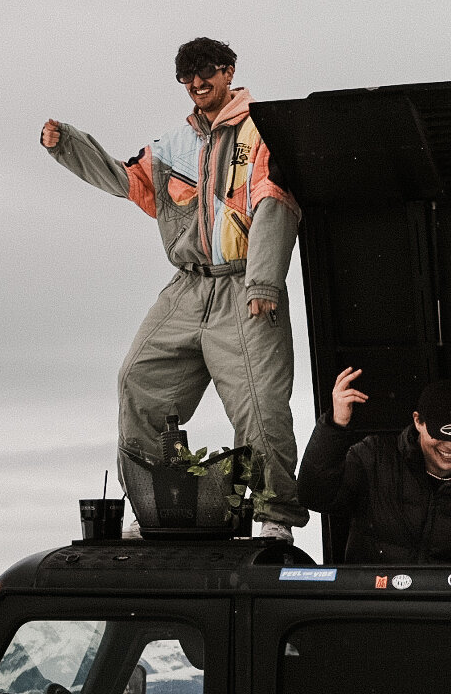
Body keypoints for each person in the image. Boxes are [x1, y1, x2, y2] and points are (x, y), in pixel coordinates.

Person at [41, 37, 305, 538]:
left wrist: (264, 281)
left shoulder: (263, 132)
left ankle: (275, 518)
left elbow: (275, 202)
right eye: (187, 76)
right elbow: (128, 181)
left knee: (260, 403)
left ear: (228, 72)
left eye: (206, 72)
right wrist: (67, 145)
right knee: (137, 378)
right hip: (187, 287)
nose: (196, 83)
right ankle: (156, 506)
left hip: (244, 283)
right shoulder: (172, 145)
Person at [296, 368, 451, 562]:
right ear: (418, 421)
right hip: (374, 587)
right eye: (441, 435)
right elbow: (314, 496)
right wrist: (336, 424)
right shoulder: (376, 458)